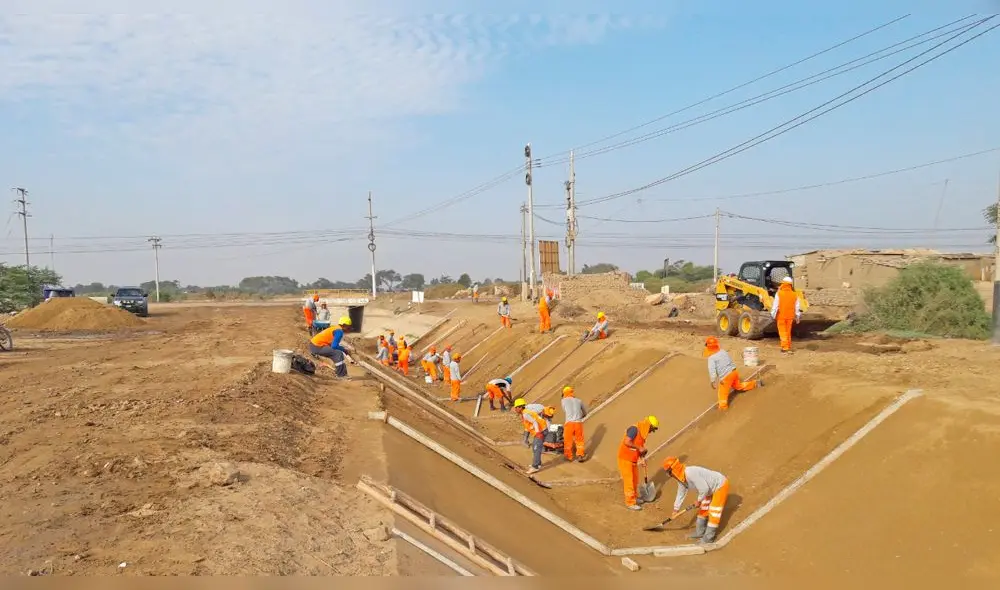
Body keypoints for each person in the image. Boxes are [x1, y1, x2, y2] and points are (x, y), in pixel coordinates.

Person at [662, 457, 730, 544]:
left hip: (719, 485)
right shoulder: (681, 479)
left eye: (668, 472)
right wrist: (676, 509)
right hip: (709, 490)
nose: (668, 475)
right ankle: (699, 532)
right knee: (703, 510)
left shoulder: (690, 473)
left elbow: (704, 488)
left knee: (714, 511)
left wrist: (699, 500)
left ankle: (708, 539)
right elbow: (680, 493)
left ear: (674, 469)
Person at [704, 336, 761, 411]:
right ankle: (754, 383)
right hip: (734, 372)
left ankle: (723, 407)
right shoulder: (723, 351)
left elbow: (712, 370)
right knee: (738, 386)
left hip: (726, 376)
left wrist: (713, 380)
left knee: (722, 393)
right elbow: (729, 360)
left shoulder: (711, 358)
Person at [617, 415, 660, 511]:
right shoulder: (634, 429)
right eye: (652, 429)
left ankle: (634, 497)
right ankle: (630, 502)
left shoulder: (642, 434)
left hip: (633, 460)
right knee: (629, 481)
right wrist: (639, 448)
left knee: (635, 480)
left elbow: (640, 448)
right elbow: (627, 442)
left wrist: (642, 458)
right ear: (649, 426)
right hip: (625, 459)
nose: (652, 432)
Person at [513, 398, 548, 475]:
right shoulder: (525, 412)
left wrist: (538, 432)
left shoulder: (525, 414)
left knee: (536, 448)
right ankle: (538, 463)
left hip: (541, 431)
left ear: (520, 407)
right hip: (541, 430)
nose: (515, 409)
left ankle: (535, 467)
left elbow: (534, 422)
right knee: (535, 447)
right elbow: (529, 425)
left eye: (516, 407)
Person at [770, 276, 802, 354]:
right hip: (790, 317)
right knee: (788, 332)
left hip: (781, 316)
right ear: (790, 285)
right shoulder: (795, 294)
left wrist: (773, 315)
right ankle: (788, 346)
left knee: (782, 332)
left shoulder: (779, 293)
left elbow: (775, 306)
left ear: (783, 284)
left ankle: (785, 348)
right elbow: (797, 307)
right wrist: (798, 317)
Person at [560, 386, 587, 462]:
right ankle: (580, 455)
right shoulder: (579, 401)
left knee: (568, 440)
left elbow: (565, 410)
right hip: (578, 423)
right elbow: (585, 413)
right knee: (579, 440)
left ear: (564, 393)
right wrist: (579, 417)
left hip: (569, 423)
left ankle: (568, 456)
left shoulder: (563, 401)